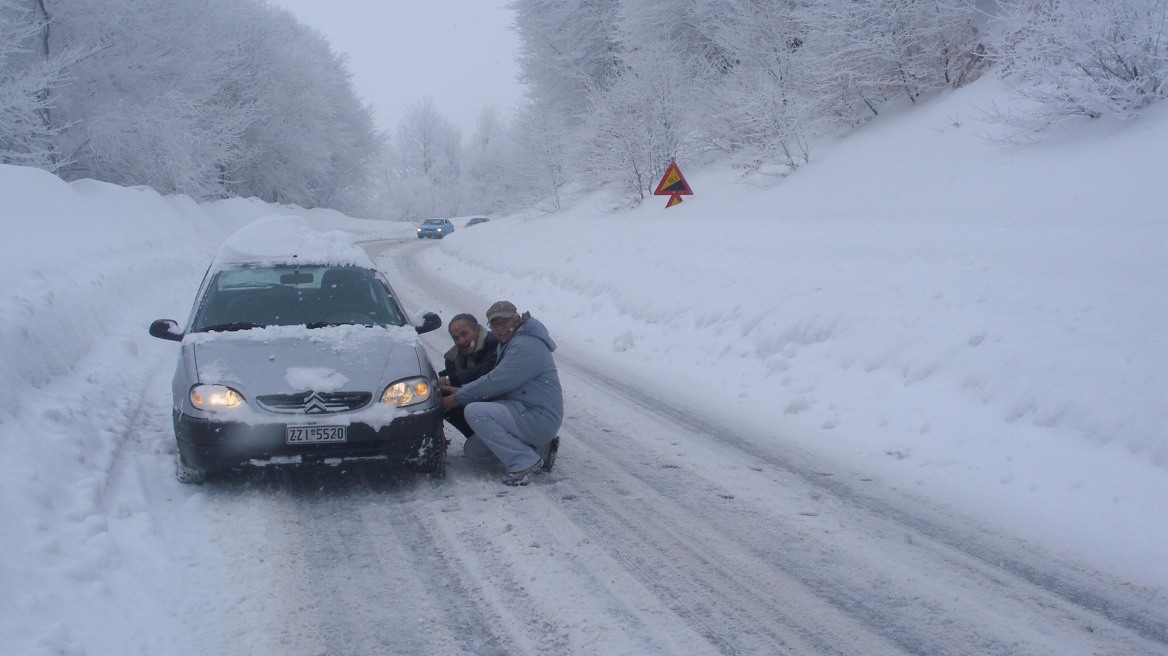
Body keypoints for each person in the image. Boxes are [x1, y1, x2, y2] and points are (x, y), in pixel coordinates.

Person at [440, 301, 563, 486]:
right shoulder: (510, 342)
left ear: (517, 318)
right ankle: (542, 450)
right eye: (495, 324)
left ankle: (524, 462)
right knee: (474, 450)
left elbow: (495, 381)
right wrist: (461, 392)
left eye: (505, 321)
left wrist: (458, 397)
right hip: (524, 410)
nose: (500, 328)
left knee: (475, 412)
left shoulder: (526, 345)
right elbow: (499, 384)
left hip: (538, 415)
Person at [438, 313, 498, 438]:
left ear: (476, 329)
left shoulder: (494, 343)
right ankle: (476, 438)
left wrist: (449, 380)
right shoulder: (452, 358)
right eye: (456, 338)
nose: (461, 341)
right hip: (477, 398)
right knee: (437, 397)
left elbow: (484, 370)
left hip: (501, 401)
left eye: (464, 334)